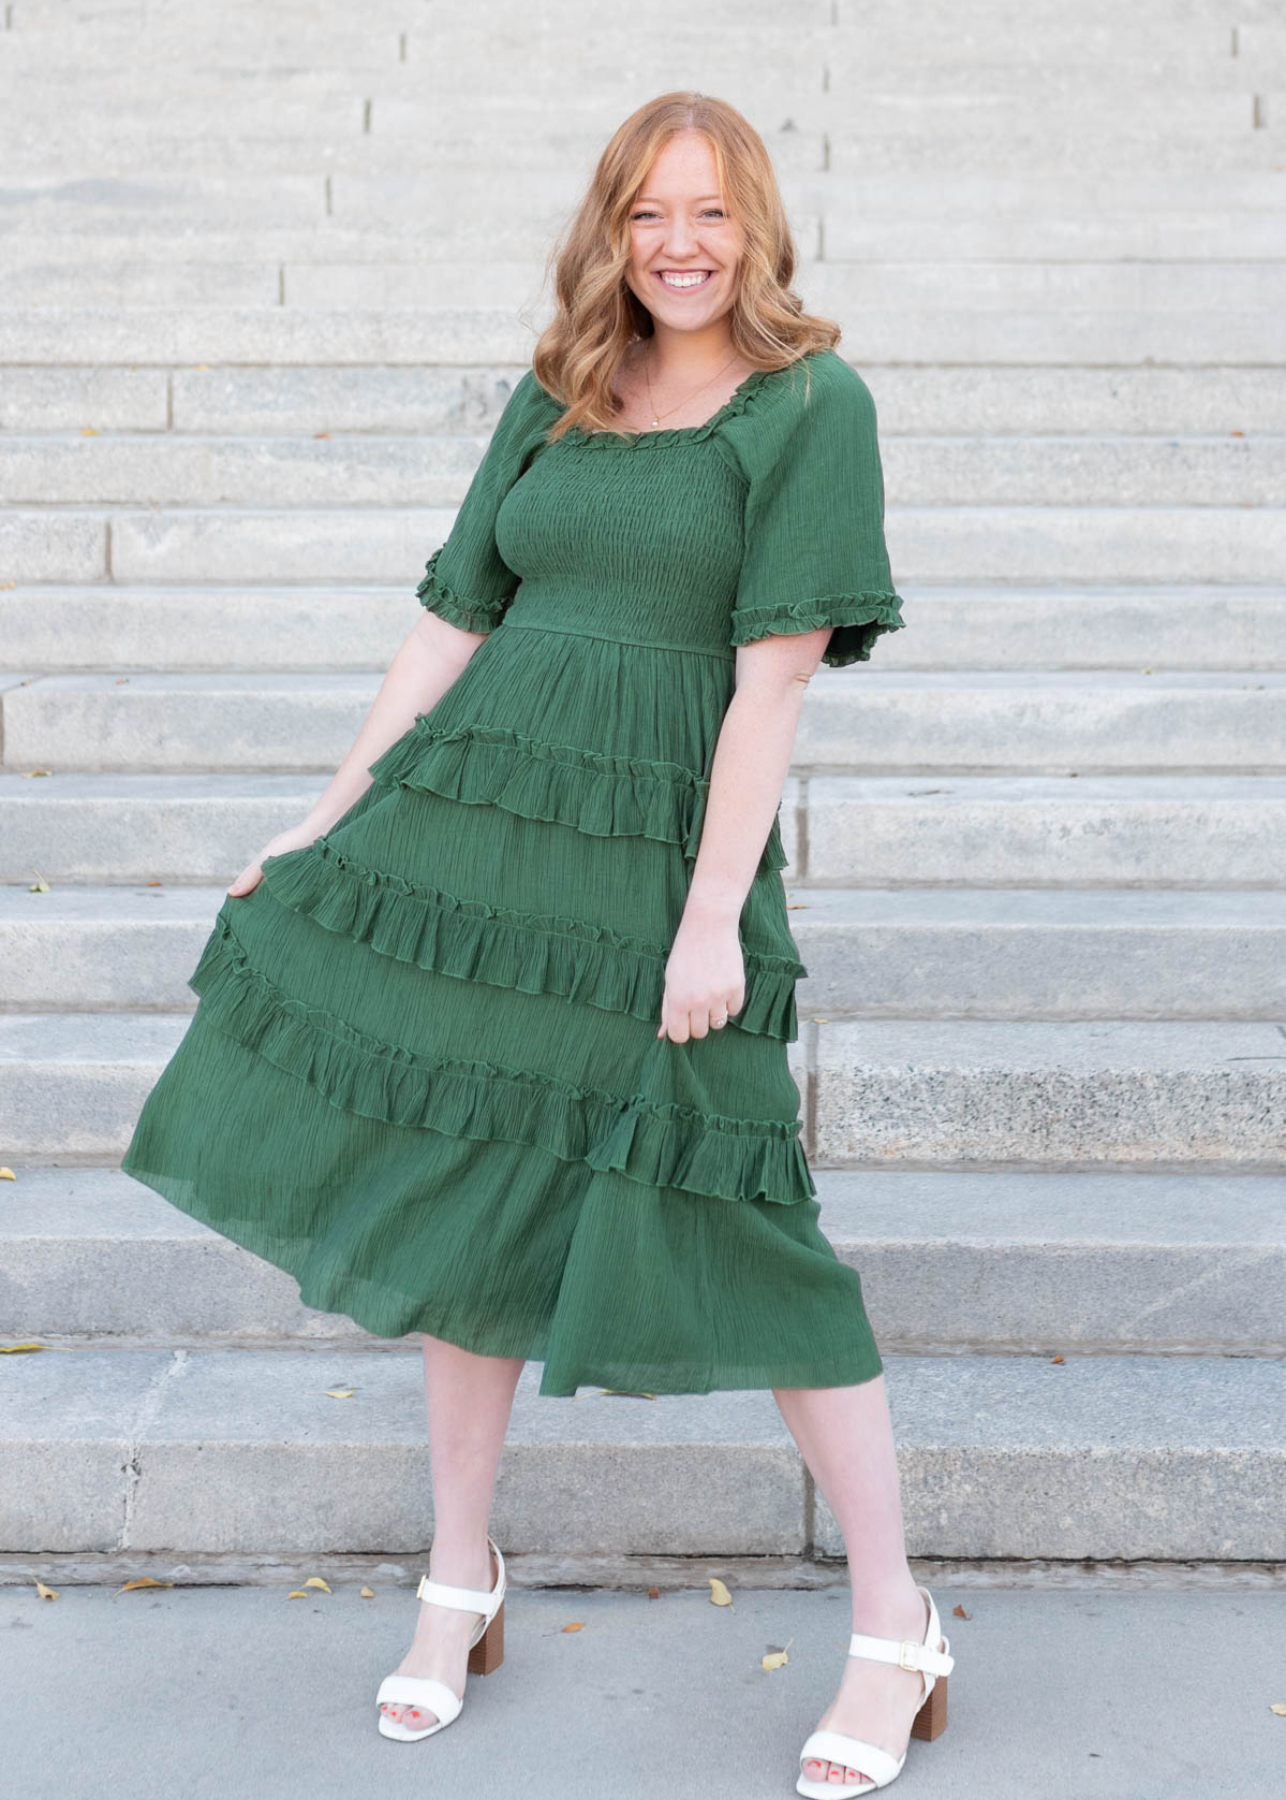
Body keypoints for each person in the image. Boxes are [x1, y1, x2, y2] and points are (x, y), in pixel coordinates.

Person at [120, 91, 953, 1796]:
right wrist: (326, 810)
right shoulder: (559, 385)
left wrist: (713, 913)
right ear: (610, 227)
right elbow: (449, 614)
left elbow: (772, 679)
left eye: (711, 212)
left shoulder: (811, 405)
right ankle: (455, 1584)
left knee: (747, 1216)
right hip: (480, 839)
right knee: (460, 1189)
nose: (680, 243)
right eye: (649, 212)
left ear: (759, 226)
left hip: (656, 864)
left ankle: (894, 1623)